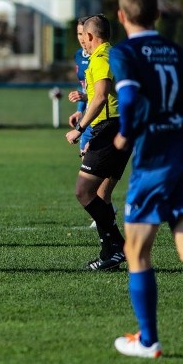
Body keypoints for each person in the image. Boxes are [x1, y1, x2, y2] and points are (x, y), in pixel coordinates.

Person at [109, 0, 183, 358]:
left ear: (121, 16)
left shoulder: (125, 51)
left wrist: (125, 134)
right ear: (158, 15)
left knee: (137, 251)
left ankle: (148, 341)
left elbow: (127, 97)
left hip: (154, 162)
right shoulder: (178, 52)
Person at [64, 14, 130, 270]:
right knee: (100, 194)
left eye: (84, 37)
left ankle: (120, 247)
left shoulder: (101, 58)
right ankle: (109, 253)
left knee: (84, 191)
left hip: (111, 128)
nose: (83, 42)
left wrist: (80, 130)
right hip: (114, 128)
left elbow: (101, 97)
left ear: (91, 36)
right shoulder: (115, 54)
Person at [67, 17, 93, 155]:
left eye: (84, 33)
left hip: (103, 118)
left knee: (97, 173)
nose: (82, 38)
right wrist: (79, 110)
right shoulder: (79, 55)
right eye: (78, 34)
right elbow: (84, 86)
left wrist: (85, 97)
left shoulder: (102, 57)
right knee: (88, 168)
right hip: (88, 116)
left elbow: (105, 93)